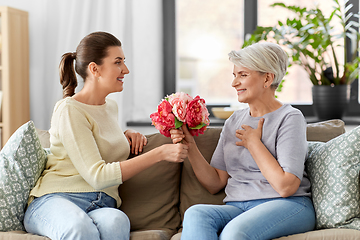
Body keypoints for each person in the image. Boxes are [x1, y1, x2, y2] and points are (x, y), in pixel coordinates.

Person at [24, 31, 188, 240]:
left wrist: (125, 135)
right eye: (118, 62)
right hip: (56, 200)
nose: (125, 70)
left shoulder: (110, 107)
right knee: (80, 229)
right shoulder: (69, 109)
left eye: (124, 62)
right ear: (94, 69)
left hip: (101, 203)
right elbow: (98, 175)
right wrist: (160, 153)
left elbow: (93, 141)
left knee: (117, 222)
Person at [170, 42, 316, 240]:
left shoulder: (290, 118)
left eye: (243, 75)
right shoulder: (234, 121)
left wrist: (254, 144)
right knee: (196, 214)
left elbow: (286, 187)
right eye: (234, 75)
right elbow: (215, 182)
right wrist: (190, 145)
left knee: (234, 233)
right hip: (238, 207)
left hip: (289, 205)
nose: (234, 83)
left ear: (267, 78)